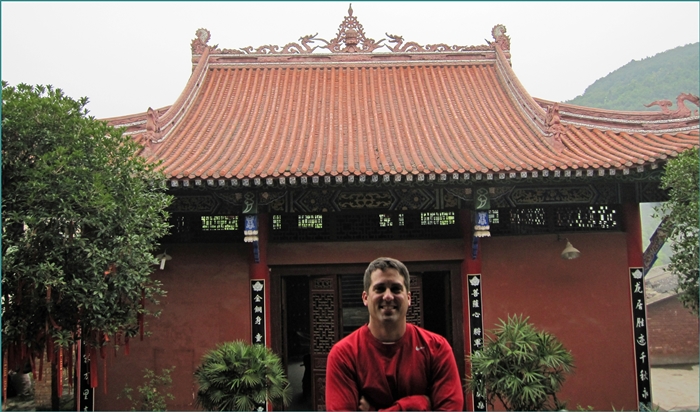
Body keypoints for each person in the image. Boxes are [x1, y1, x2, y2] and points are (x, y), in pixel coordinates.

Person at [325, 257, 464, 411]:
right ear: (365, 297)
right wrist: (418, 405)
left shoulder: (436, 348)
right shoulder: (344, 355)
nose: (388, 296)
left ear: (409, 298)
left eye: (396, 289)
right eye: (380, 289)